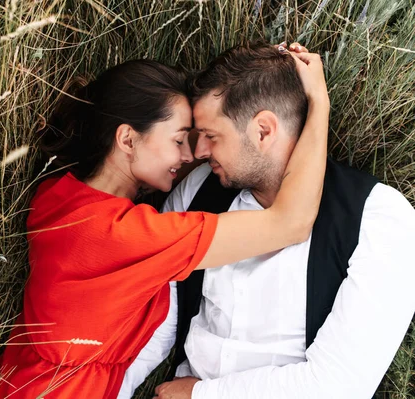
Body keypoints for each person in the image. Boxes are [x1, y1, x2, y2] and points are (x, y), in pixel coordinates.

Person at [0, 45, 329, 399]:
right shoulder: (131, 236)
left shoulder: (56, 197)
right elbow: (291, 223)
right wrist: (318, 104)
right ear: (128, 139)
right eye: (180, 140)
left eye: (199, 139)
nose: (191, 154)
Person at [153, 42, 415, 399]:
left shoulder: (380, 217)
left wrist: (199, 394)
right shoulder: (200, 191)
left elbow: (341, 386)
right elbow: (157, 310)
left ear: (263, 131)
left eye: (211, 137)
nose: (197, 154)